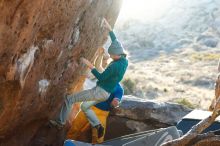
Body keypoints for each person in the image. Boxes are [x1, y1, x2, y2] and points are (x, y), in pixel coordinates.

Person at [50, 18, 128, 138]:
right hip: (105, 94)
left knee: (70, 99)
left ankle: (60, 122)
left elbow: (101, 78)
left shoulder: (114, 67)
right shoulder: (124, 61)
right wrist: (109, 29)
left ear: (117, 55)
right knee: (85, 106)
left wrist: (89, 64)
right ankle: (97, 125)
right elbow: (115, 41)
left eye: (112, 55)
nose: (111, 56)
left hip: (99, 92)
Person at [67, 49, 124, 144]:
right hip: (90, 106)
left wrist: (116, 102)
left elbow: (117, 99)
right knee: (74, 128)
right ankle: (66, 143)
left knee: (98, 138)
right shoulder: (107, 77)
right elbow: (98, 67)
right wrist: (101, 55)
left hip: (102, 113)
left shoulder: (119, 89)